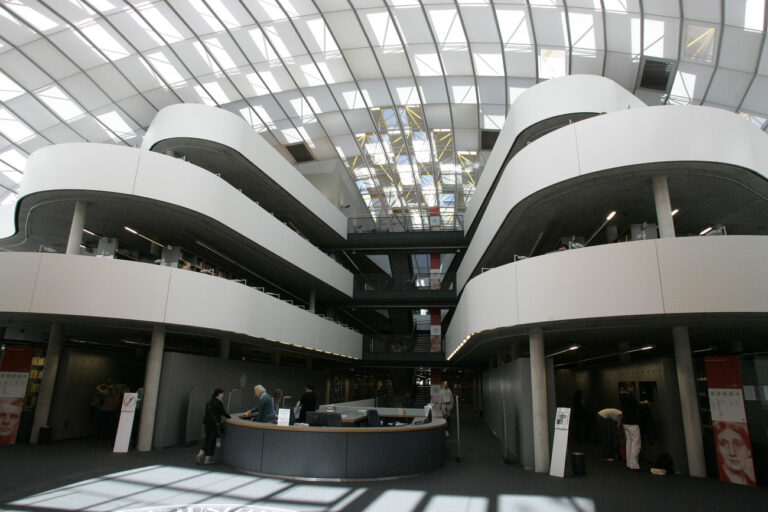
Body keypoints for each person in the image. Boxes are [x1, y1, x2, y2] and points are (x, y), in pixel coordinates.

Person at [714, 421, 756, 486]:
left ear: (749, 451)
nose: (732, 453)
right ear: (718, 449)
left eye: (737, 444)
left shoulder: (752, 484)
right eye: (724, 444)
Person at [196, 388, 230, 465]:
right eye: (222, 394)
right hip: (215, 424)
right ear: (219, 394)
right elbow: (223, 412)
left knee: (207, 439)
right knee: (212, 441)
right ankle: (207, 459)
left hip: (207, 423)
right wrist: (229, 417)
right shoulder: (219, 402)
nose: (223, 395)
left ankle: (200, 454)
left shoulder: (209, 402)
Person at [619, 383, 644, 470]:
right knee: (636, 443)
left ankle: (629, 463)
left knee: (629, 443)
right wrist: (644, 403)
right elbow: (637, 406)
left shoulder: (622, 397)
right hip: (633, 422)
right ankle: (634, 464)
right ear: (629, 388)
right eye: (632, 387)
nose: (633, 389)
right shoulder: (631, 397)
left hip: (626, 422)